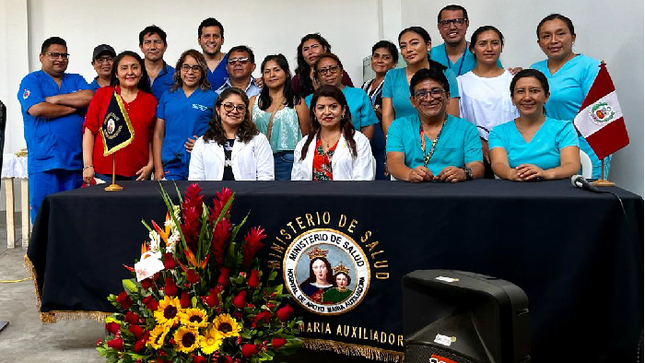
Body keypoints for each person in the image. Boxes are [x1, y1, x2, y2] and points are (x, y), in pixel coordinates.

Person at [17, 37, 92, 223]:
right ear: (41, 57)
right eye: (54, 55)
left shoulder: (76, 79)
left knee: (74, 217)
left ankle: (71, 253)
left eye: (63, 55)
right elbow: (37, 109)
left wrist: (54, 99)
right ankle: (42, 253)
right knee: (44, 216)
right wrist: (74, 107)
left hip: (74, 163)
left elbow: (90, 97)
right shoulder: (31, 80)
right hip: (44, 162)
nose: (60, 59)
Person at [530, 14, 607, 179]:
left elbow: (598, 110)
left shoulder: (590, 67)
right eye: (546, 36)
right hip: (549, 150)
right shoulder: (535, 69)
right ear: (539, 43)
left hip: (586, 149)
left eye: (560, 33)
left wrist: (565, 137)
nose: (553, 40)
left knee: (587, 201)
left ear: (573, 37)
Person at [386, 68, 483, 183]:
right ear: (412, 101)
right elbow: (393, 162)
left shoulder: (467, 129)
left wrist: (464, 173)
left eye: (435, 91)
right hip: (410, 192)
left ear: (447, 97)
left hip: (454, 193)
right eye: (421, 93)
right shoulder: (399, 127)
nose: (429, 98)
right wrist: (409, 174)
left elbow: (477, 166)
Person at [489, 69, 580, 181]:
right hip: (513, 192)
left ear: (546, 96)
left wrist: (545, 173)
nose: (527, 97)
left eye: (534, 91)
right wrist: (511, 174)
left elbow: (572, 165)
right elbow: (498, 164)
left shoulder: (564, 128)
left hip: (557, 193)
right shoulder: (498, 132)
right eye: (520, 91)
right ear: (512, 98)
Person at [83, 51, 157, 184]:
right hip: (103, 172)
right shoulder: (102, 95)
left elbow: (151, 138)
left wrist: (150, 165)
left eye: (134, 67)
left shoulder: (150, 101)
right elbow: (89, 131)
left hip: (139, 173)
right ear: (116, 73)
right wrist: (88, 166)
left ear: (141, 72)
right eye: (124, 68)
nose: (130, 72)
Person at [457, 26, 518, 178]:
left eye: (495, 43)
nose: (489, 48)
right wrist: (479, 143)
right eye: (483, 43)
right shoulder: (461, 83)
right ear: (472, 48)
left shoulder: (514, 80)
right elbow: (458, 121)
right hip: (476, 154)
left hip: (513, 151)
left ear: (501, 47)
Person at [382, 26, 460, 136]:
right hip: (402, 141)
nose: (408, 49)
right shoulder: (392, 76)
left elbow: (452, 116)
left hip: (439, 142)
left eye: (414, 43)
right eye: (403, 46)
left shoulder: (446, 74)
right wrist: (392, 143)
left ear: (428, 45)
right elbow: (387, 115)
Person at [153, 50, 216, 180]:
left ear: (203, 71)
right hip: (171, 164)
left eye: (196, 68)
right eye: (186, 67)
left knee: (199, 200)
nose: (190, 72)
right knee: (171, 200)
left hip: (201, 162)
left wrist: (203, 143)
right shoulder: (167, 96)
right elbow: (158, 134)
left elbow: (220, 131)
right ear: (179, 70)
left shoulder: (212, 97)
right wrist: (158, 168)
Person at [188, 87, 274, 181]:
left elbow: (266, 178)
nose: (234, 111)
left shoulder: (259, 140)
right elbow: (195, 179)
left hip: (249, 194)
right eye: (228, 106)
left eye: (240, 107)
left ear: (245, 112)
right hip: (212, 195)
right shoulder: (202, 143)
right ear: (217, 109)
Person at [292, 85, 375, 181]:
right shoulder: (303, 144)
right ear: (314, 111)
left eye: (333, 106)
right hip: (309, 195)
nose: (327, 112)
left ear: (343, 110)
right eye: (321, 108)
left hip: (348, 195)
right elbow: (297, 183)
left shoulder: (359, 141)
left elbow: (362, 180)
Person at [250, 54, 310, 180]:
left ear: (287, 73)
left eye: (276, 70)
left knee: (285, 198)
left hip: (288, 161)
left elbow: (307, 136)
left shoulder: (298, 102)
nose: (272, 75)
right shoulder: (254, 101)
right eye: (267, 72)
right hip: (258, 160)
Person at [304, 53, 378, 140]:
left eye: (333, 69)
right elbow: (308, 130)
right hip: (321, 149)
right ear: (317, 77)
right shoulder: (309, 100)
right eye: (323, 71)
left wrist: (358, 148)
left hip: (355, 147)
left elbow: (368, 126)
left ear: (341, 72)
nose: (328, 73)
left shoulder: (359, 95)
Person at [362, 40, 398, 180]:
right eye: (376, 56)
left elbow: (396, 114)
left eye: (386, 57)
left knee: (384, 179)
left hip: (385, 137)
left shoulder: (395, 84)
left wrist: (376, 110)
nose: (380, 60)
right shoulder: (366, 85)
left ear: (394, 63)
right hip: (368, 139)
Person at [292, 33, 354, 98]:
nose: (310, 52)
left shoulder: (338, 73)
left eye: (314, 47)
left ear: (324, 49)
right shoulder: (297, 80)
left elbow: (352, 96)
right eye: (306, 49)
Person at [139, 25, 175, 101]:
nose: (152, 47)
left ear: (165, 46)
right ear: (141, 47)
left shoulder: (175, 75)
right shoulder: (132, 73)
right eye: (147, 42)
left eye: (157, 42)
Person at [198, 17, 228, 91]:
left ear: (222, 40)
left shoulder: (232, 62)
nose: (211, 40)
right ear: (199, 40)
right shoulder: (193, 63)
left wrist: (260, 81)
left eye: (215, 36)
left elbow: (247, 82)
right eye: (206, 36)